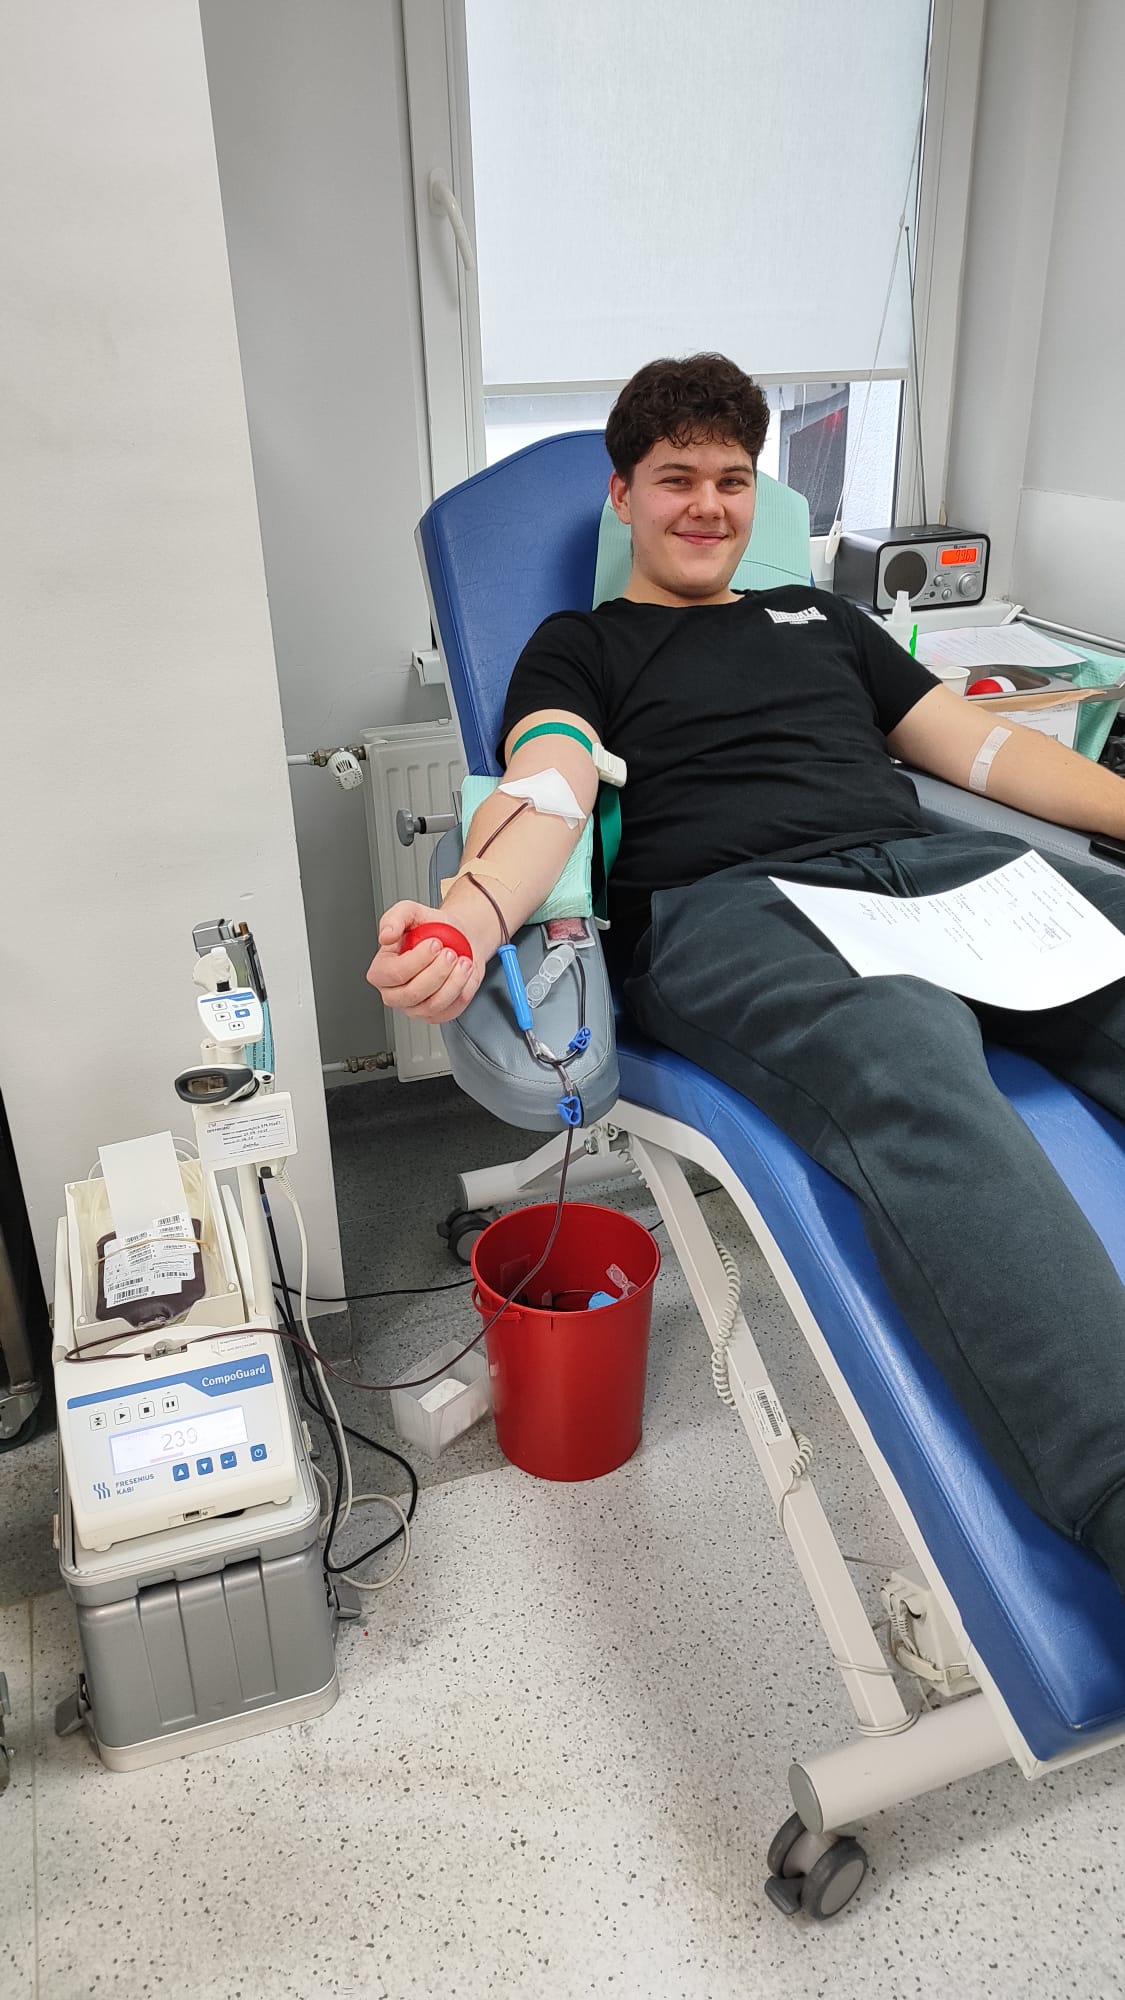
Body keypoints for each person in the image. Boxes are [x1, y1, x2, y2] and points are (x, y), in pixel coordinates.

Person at [368, 353, 1125, 1594]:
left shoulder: (826, 621)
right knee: (906, 1055)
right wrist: (468, 915)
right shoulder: (583, 644)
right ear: (624, 494)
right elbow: (547, 786)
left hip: (931, 875)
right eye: (677, 479)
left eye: (731, 478)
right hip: (735, 906)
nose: (707, 504)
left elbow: (982, 750)